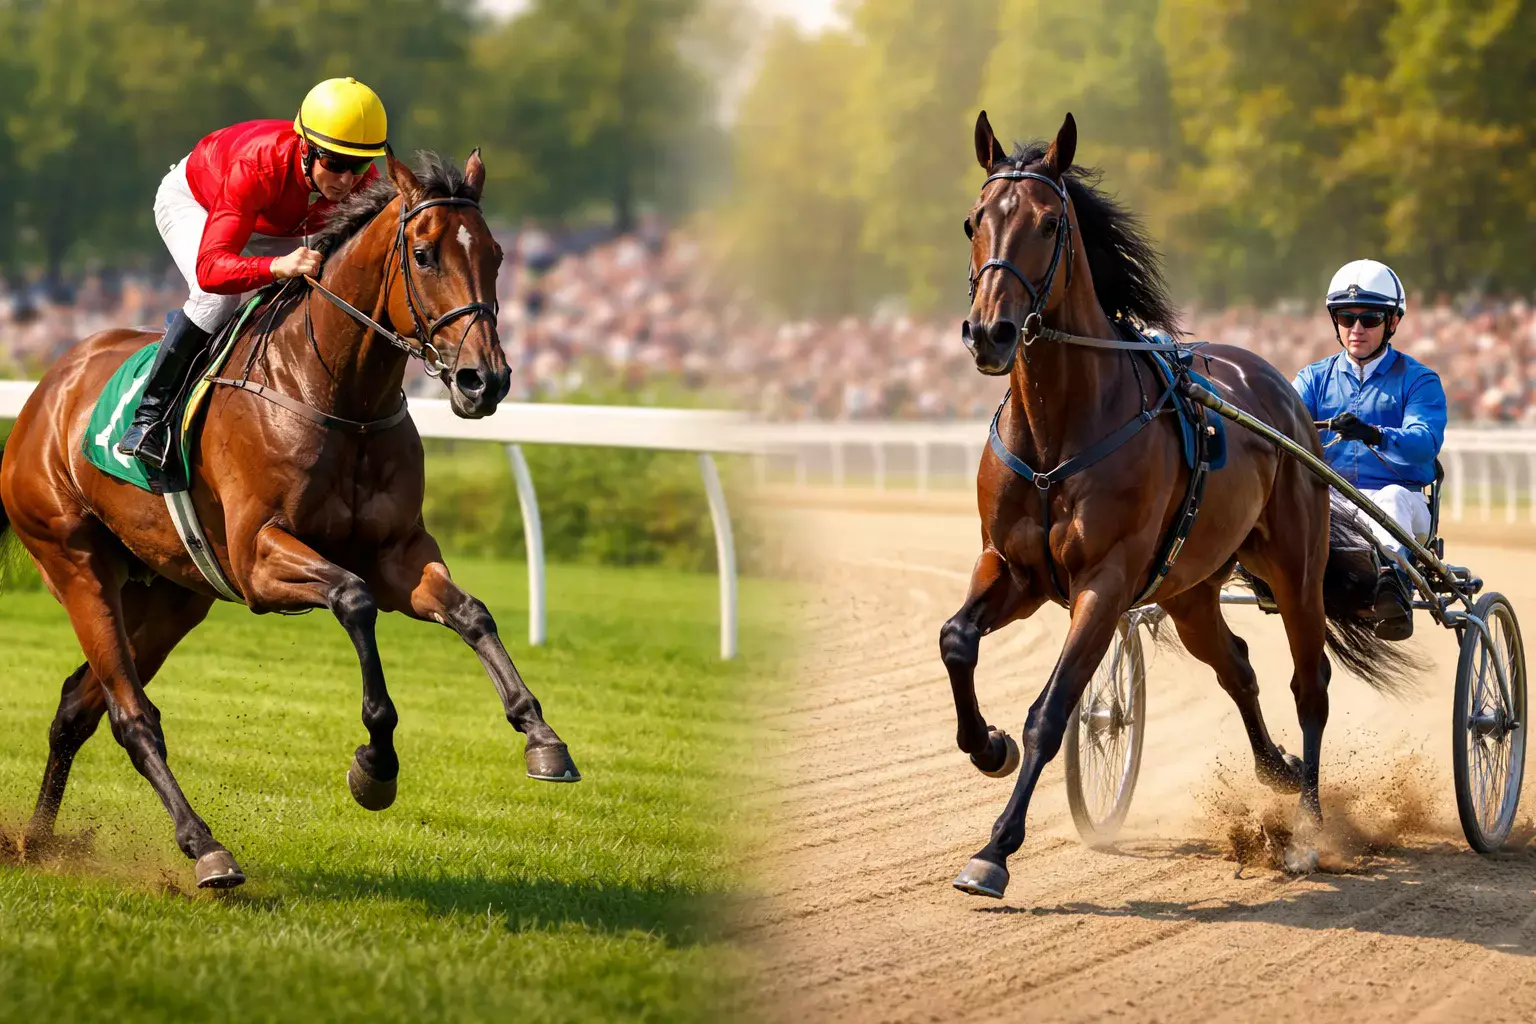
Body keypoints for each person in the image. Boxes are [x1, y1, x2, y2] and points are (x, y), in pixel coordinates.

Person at [115, 77, 389, 468]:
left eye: (359, 165)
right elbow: (211, 270)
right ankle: (149, 419)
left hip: (276, 224)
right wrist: (277, 266)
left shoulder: (363, 183)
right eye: (335, 164)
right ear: (306, 148)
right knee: (217, 298)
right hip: (199, 202)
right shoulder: (257, 165)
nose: (347, 180)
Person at [1292, 259, 1448, 640]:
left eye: (1370, 319)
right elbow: (1281, 426)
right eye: (1347, 318)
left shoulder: (1419, 380)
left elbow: (1424, 444)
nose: (1356, 329)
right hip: (1334, 504)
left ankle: (1392, 586)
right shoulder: (1313, 379)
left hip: (1404, 506)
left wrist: (1373, 434)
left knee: (1391, 498)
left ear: (1392, 322)